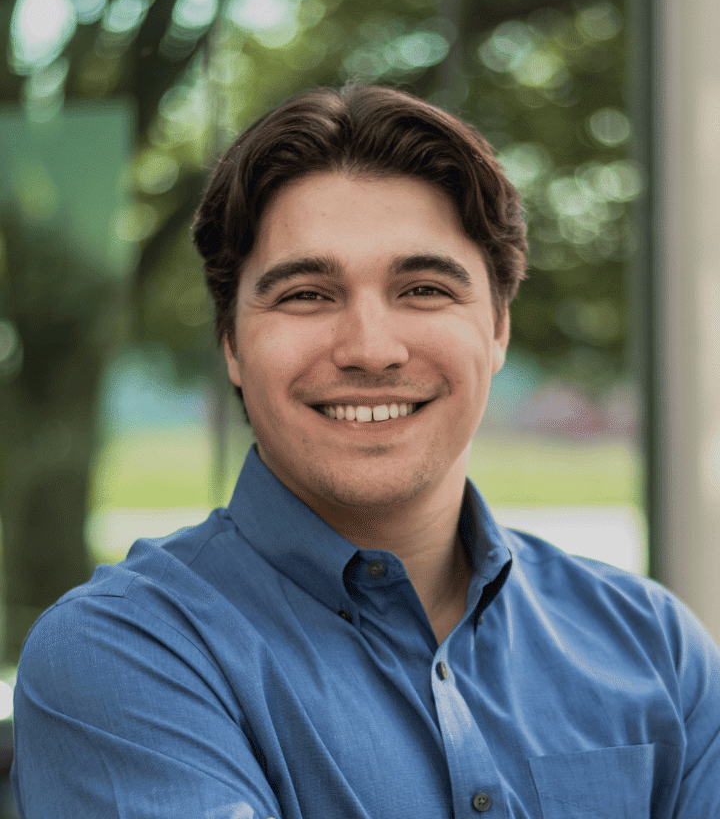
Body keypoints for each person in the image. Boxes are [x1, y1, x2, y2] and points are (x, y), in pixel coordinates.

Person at [11, 82, 720, 818]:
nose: (371, 350)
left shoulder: (653, 645)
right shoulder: (126, 655)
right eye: (307, 295)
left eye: (422, 289)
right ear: (230, 342)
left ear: (499, 328)